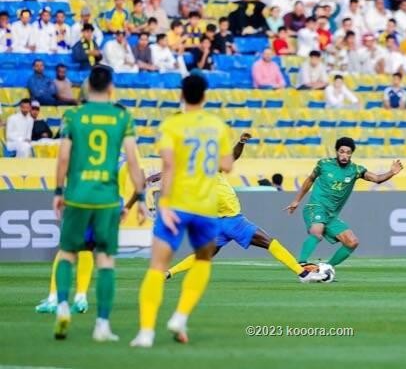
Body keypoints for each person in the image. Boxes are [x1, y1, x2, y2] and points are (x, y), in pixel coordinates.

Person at [130, 75, 233, 348]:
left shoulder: (171, 125)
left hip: (176, 204)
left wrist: (163, 204)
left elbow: (169, 167)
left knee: (157, 267)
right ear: (205, 95)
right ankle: (180, 316)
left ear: (182, 95)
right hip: (205, 206)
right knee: (202, 261)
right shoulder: (217, 126)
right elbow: (227, 164)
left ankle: (146, 333)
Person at [52, 65, 147, 341]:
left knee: (68, 254)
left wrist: (59, 191)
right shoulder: (122, 117)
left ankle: (62, 307)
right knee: (105, 261)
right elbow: (132, 160)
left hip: (77, 196)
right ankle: (102, 325)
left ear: (86, 87)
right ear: (110, 88)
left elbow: (63, 158)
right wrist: (140, 197)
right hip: (107, 200)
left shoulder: (73, 115)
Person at [166, 132, 324, 282]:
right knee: (270, 242)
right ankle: (303, 273)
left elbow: (232, 156)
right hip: (233, 221)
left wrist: (241, 142)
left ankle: (168, 273)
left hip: (219, 222)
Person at [285, 137, 403, 269]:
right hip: (315, 207)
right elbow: (310, 180)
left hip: (331, 216)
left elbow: (377, 178)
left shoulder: (355, 170)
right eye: (342, 151)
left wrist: (392, 172)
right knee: (317, 232)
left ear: (351, 154)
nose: (345, 155)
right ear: (336, 151)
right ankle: (301, 264)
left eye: (348, 152)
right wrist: (296, 200)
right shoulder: (323, 164)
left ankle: (326, 268)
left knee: (352, 242)